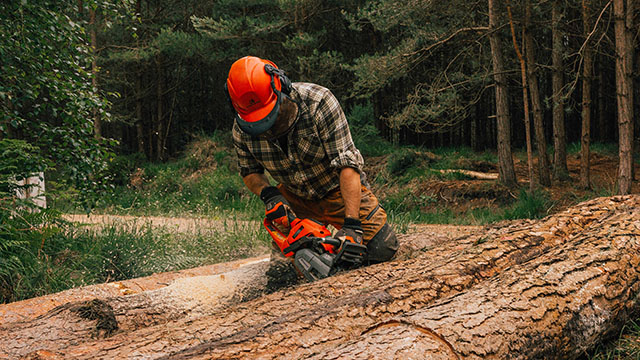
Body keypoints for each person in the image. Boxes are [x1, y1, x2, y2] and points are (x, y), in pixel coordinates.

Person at [225, 56, 398, 287]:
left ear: (281, 86)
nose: (266, 127)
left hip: (337, 188)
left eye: (268, 116)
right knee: (281, 276)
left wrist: (352, 225)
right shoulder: (242, 129)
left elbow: (347, 164)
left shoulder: (318, 102)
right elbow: (249, 172)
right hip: (294, 197)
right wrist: (270, 195)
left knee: (382, 248)